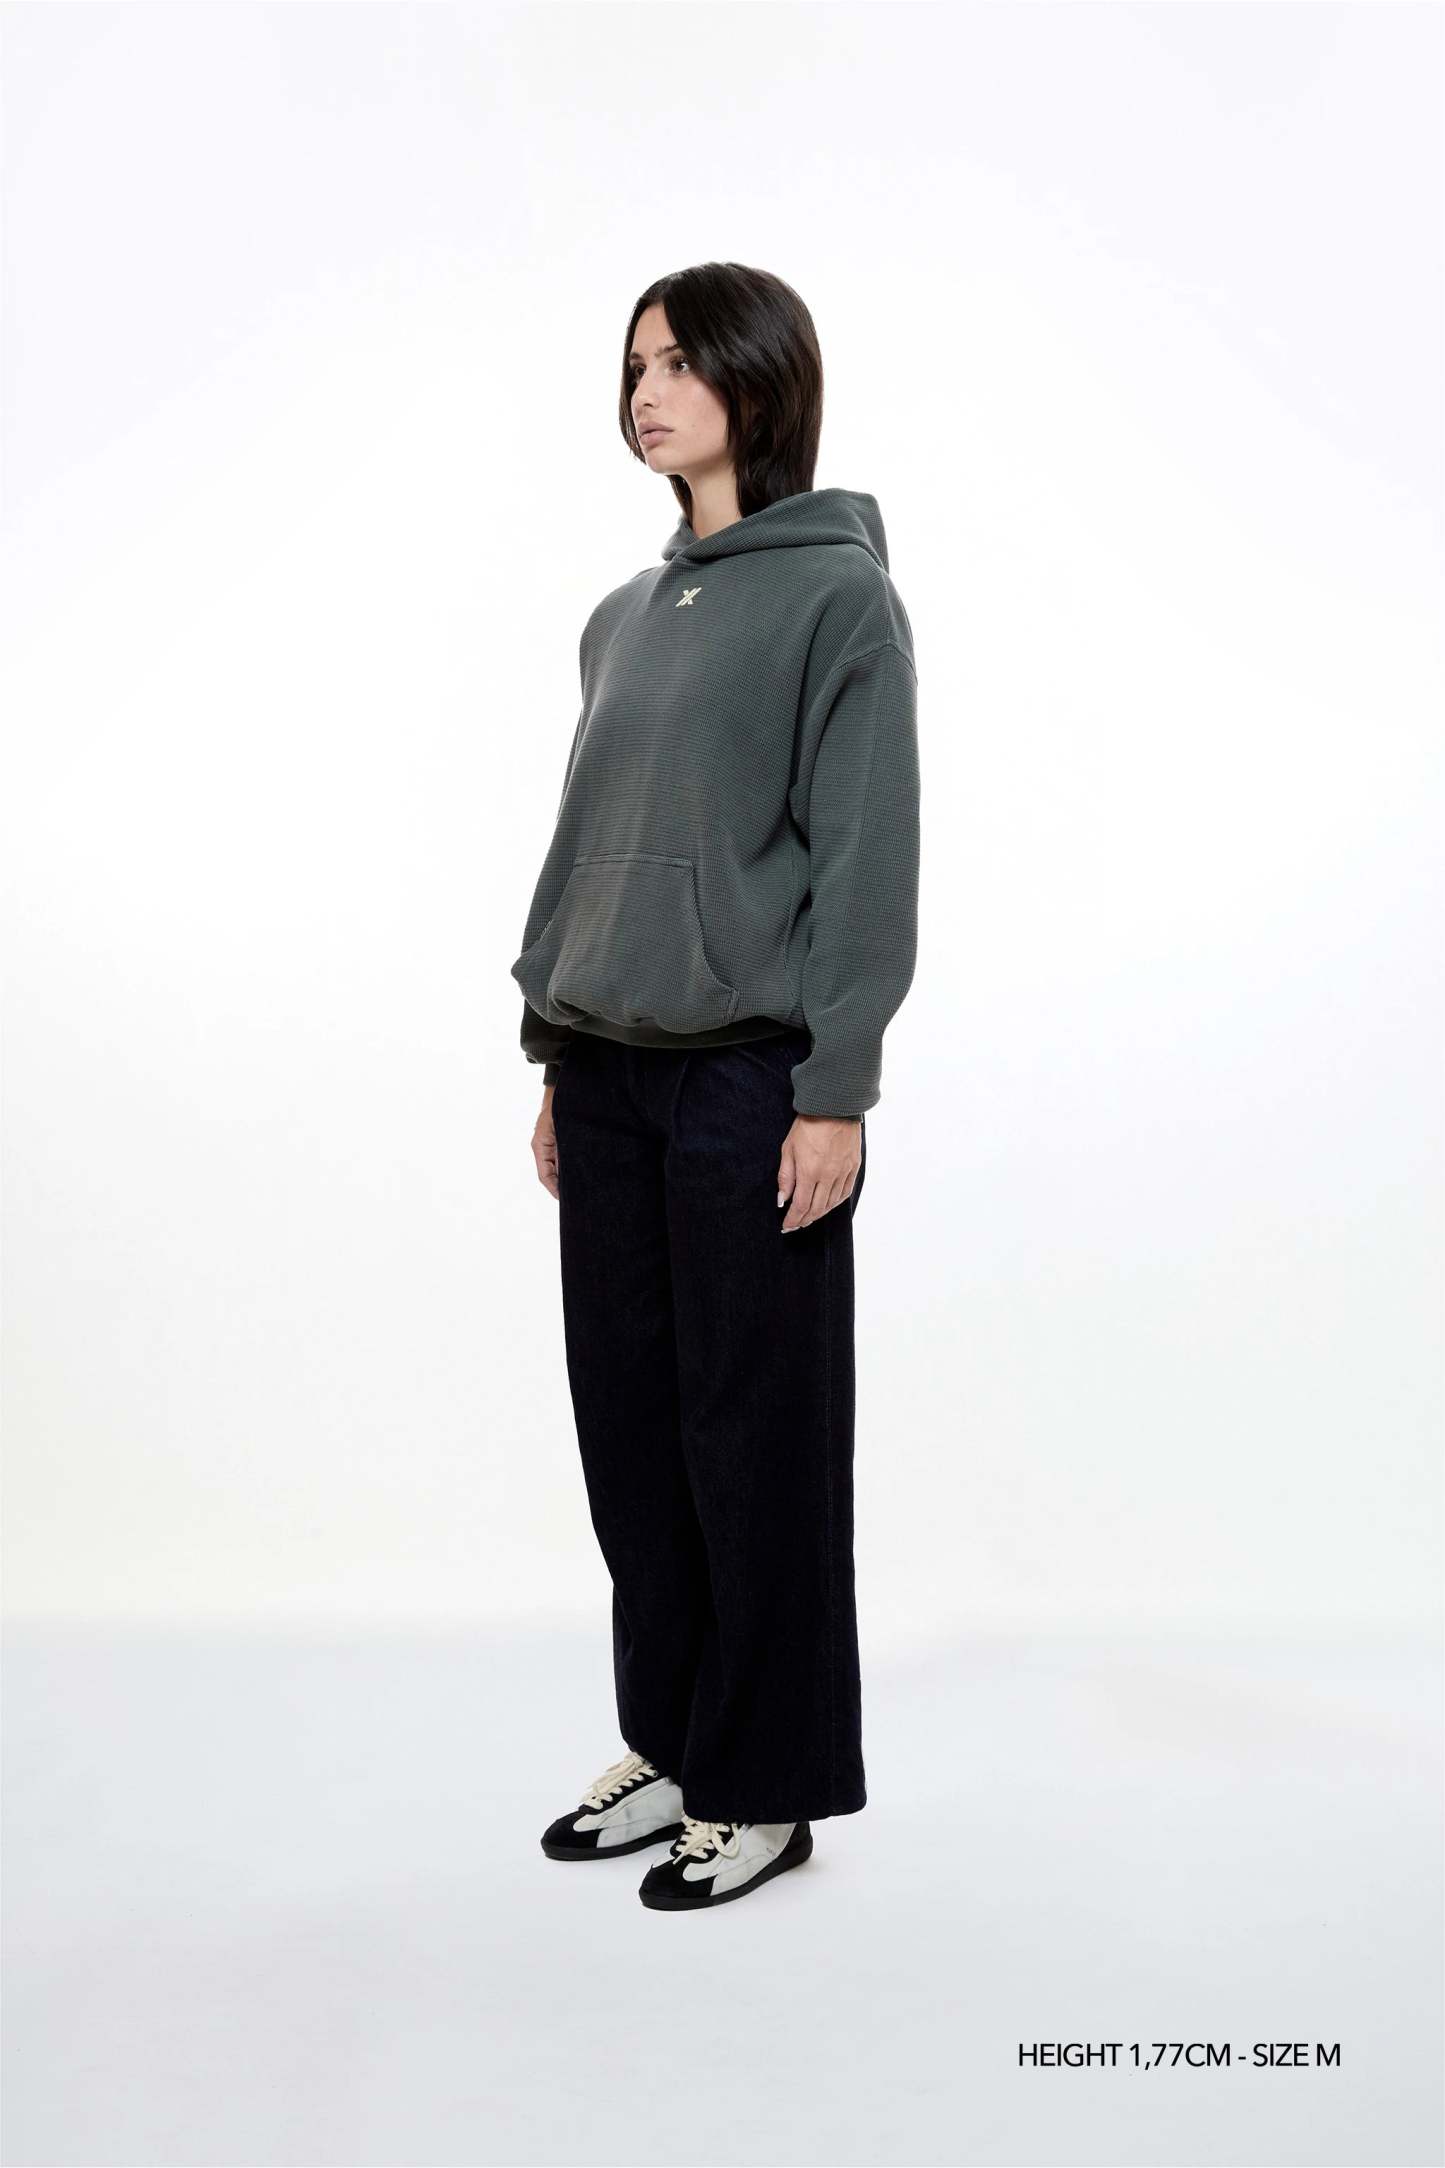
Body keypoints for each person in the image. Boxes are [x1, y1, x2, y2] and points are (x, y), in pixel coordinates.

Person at [510, 261, 920, 1913]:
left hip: (752, 1079)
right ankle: (673, 1743)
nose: (646, 393)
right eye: (634, 366)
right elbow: (587, 847)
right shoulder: (621, 616)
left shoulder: (838, 601)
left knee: (753, 1434)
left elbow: (867, 855)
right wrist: (553, 1045)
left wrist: (837, 1087)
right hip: (607, 1070)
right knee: (630, 1430)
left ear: (759, 381)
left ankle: (764, 1787)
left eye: (678, 362)